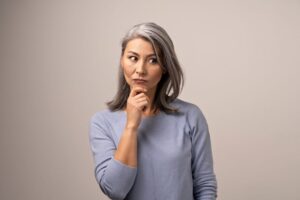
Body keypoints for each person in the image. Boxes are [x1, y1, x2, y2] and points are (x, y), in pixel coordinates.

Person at [89, 22, 217, 200]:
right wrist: (131, 126)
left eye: (153, 60)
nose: (140, 70)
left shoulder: (190, 116)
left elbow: (204, 185)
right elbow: (115, 190)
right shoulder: (102, 122)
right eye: (133, 58)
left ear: (164, 67)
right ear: (122, 60)